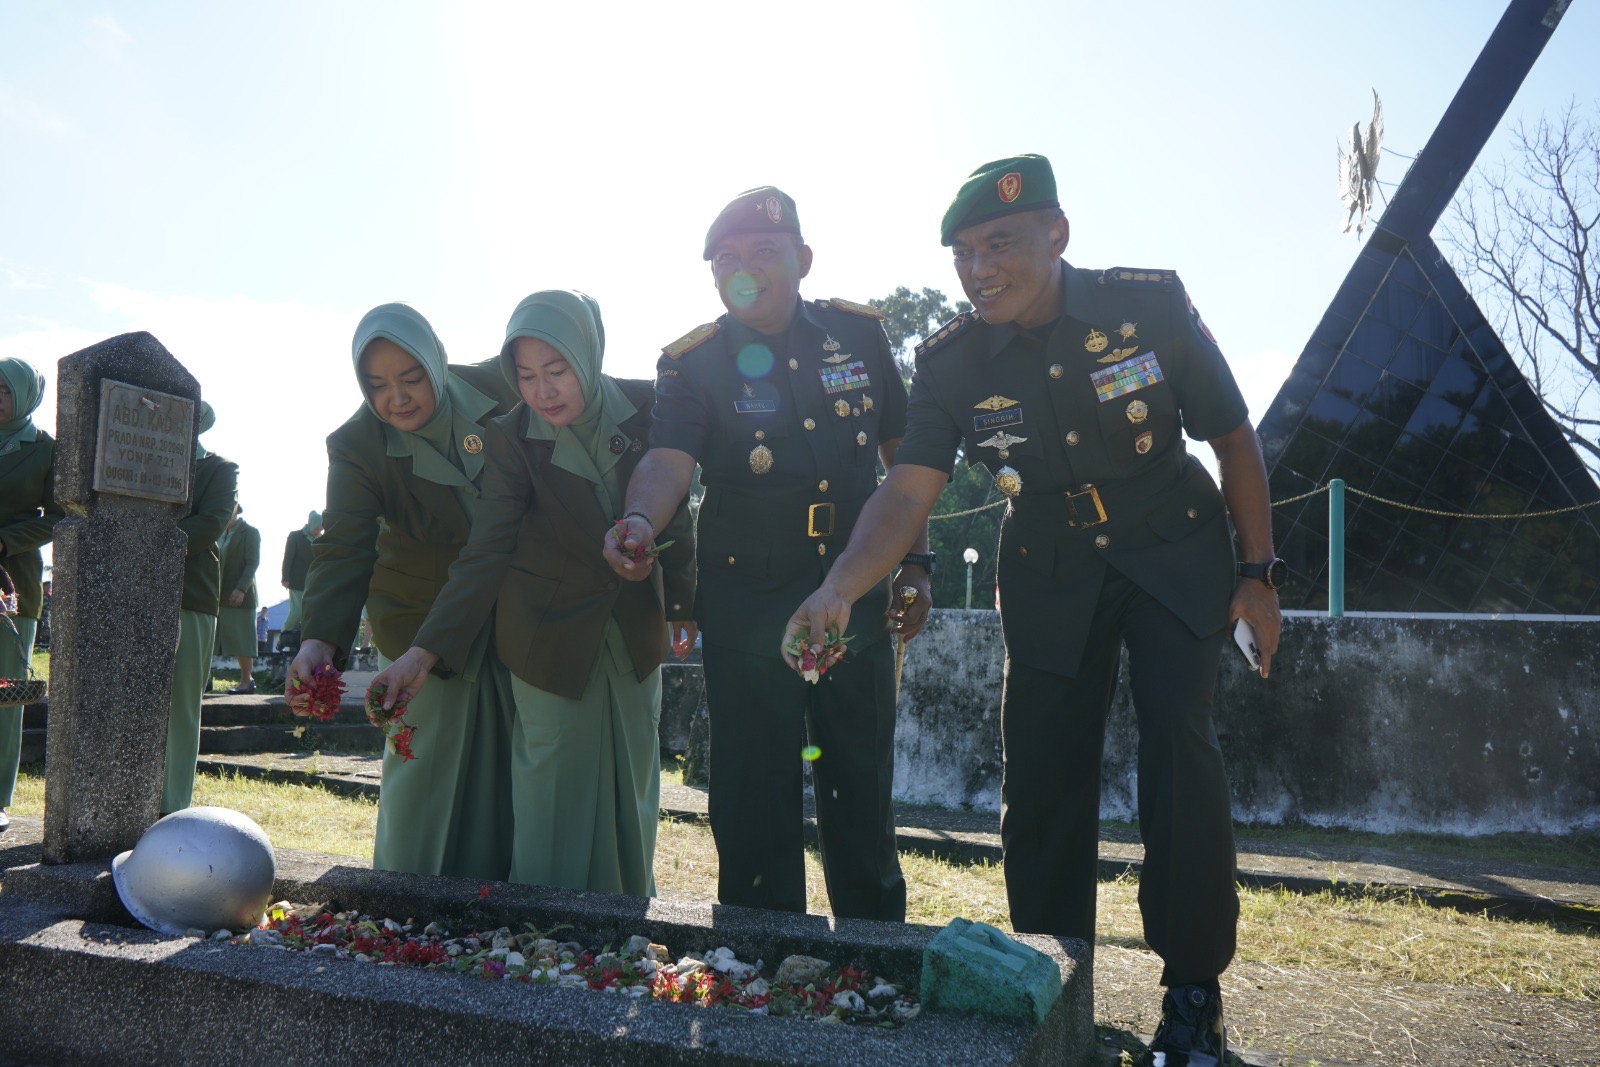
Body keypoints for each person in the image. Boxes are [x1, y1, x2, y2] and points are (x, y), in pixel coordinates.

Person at [780, 155, 1283, 1067]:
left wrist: (1258, 572)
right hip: (1050, 564)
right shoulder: (952, 362)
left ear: (1057, 234)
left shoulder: (1148, 306)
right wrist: (840, 586)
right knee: (1043, 776)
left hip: (1172, 548)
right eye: (963, 254)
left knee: (1179, 739)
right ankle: (1056, 981)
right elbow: (905, 494)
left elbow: (1232, 437)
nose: (979, 271)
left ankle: (1194, 994)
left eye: (999, 244)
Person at [604, 187, 930, 922]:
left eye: (762, 253)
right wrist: (637, 519)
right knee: (753, 787)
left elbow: (904, 463)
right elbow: (667, 460)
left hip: (857, 590)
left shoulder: (860, 337)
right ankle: (760, 956)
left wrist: (917, 563)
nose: (743, 269)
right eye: (726, 259)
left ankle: (873, 948)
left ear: (803, 260)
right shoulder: (692, 363)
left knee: (860, 774)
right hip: (748, 599)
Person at [371, 290, 696, 895]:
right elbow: (486, 550)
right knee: (550, 790)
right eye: (525, 376)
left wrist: (681, 601)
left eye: (558, 371)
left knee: (632, 781)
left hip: (631, 630)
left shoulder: (649, 407)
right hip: (546, 637)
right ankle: (541, 936)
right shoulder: (511, 436)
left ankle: (624, 922)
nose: (543, 392)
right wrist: (423, 651)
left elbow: (677, 509)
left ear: (589, 356)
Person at [287, 302, 519, 881]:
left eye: (411, 378)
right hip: (420, 620)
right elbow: (344, 546)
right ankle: (405, 897)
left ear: (437, 364)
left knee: (510, 768)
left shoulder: (500, 384)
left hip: (516, 611)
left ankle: (502, 904)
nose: (398, 398)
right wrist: (319, 640)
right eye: (378, 385)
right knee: (425, 768)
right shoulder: (357, 444)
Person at [164, 400, 240, 813]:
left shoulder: (219, 468)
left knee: (181, 700)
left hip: (189, 593)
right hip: (133, 589)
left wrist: (147, 542)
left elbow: (211, 523)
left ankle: (171, 802)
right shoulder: (141, 459)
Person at [1, 356, 63, 834]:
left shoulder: (44, 450)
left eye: (4, 391)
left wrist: (6, 541)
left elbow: (57, 515)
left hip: (12, 578)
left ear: (23, 395)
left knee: (5, 693)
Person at [214, 505, 261, 693]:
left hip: (240, 596)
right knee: (213, 639)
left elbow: (252, 562)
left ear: (235, 512)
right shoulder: (220, 532)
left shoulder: (250, 532)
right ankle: (205, 680)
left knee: (243, 639)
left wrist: (241, 588)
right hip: (219, 594)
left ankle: (246, 681)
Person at [279, 511, 320, 649]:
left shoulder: (321, 540)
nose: (318, 531)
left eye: (321, 529)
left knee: (309, 613)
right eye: (316, 528)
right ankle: (283, 635)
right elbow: (288, 557)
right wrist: (285, 577)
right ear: (311, 525)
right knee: (297, 611)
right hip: (296, 581)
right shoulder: (295, 536)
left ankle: (301, 641)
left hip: (314, 583)